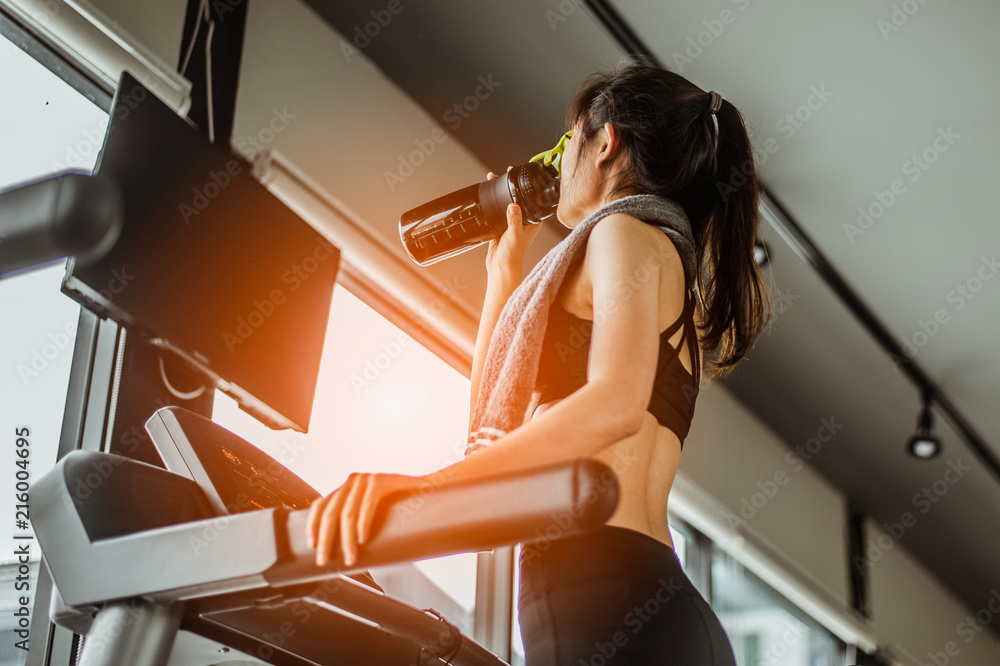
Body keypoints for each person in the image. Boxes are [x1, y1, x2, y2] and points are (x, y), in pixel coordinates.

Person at [307, 61, 770, 665]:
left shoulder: (625, 232)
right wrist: (504, 278)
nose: (560, 158)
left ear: (607, 142)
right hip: (649, 599)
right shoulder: (658, 256)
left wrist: (421, 489)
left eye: (570, 139)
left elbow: (614, 402)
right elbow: (494, 425)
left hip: (604, 593)